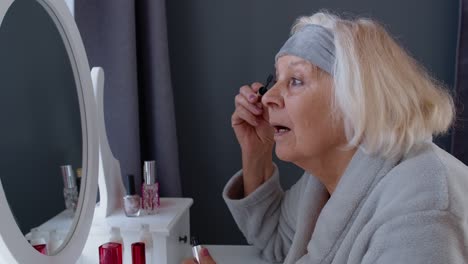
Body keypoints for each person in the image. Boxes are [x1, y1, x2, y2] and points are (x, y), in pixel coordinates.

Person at [183, 11, 468, 264]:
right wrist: (256, 152)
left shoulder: (424, 206)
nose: (268, 96)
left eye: (295, 80)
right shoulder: (329, 179)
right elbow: (279, 243)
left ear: (356, 100)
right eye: (275, 80)